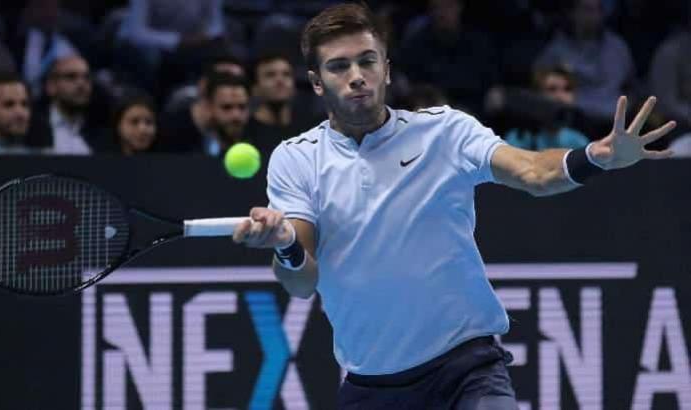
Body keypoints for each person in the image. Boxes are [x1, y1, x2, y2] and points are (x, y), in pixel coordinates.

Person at [230, 3, 676, 409]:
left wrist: (594, 157)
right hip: (371, 385)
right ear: (316, 82)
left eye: (367, 61)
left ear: (387, 69)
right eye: (339, 66)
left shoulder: (444, 131)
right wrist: (286, 244)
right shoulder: (297, 158)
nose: (357, 76)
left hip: (466, 370)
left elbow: (533, 173)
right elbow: (301, 282)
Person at [534, 0, 635, 122]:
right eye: (587, 10)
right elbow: (542, 85)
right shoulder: (557, 50)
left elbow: (631, 85)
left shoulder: (617, 46)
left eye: (598, 10)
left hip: (614, 119)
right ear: (572, 13)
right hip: (576, 119)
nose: (594, 16)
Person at [27, 55, 108, 154]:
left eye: (87, 77)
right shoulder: (30, 127)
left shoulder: (102, 131)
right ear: (51, 86)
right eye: (71, 77)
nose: (81, 83)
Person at [160, 73, 250, 156]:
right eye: (226, 107)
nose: (236, 115)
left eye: (242, 107)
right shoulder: (172, 136)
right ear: (207, 106)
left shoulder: (254, 133)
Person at [504, 66, 590, 150]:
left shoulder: (578, 141)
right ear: (537, 96)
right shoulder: (519, 137)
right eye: (552, 89)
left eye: (567, 89)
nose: (560, 97)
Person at [247, 52, 314, 160]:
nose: (280, 80)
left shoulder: (310, 129)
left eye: (286, 74)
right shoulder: (245, 132)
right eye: (270, 75)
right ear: (255, 88)